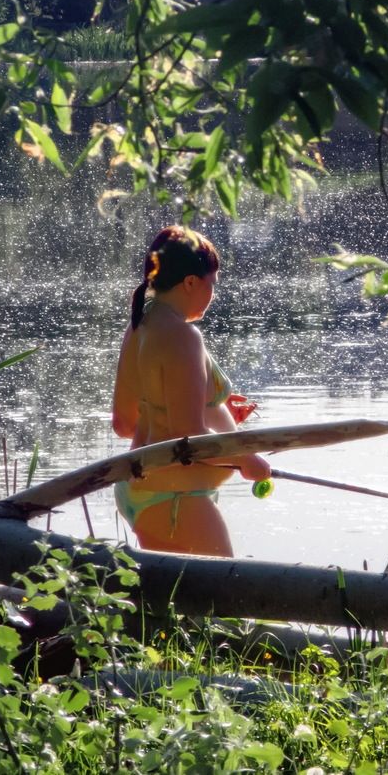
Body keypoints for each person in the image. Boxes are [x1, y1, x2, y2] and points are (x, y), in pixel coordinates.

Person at [111, 226, 270, 556]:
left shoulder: (139, 325)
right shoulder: (183, 336)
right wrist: (246, 459)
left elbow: (125, 423)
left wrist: (214, 411)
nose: (213, 294)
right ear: (190, 282)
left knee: (177, 603)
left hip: (142, 490)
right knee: (229, 599)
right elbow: (188, 436)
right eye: (212, 284)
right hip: (174, 496)